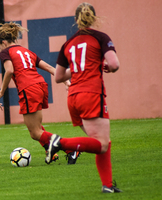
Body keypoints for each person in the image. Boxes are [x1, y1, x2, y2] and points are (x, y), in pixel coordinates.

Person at [45, 2, 122, 193]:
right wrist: (103, 67)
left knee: (101, 143)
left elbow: (59, 77)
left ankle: (108, 186)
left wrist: (79, 69)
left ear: (76, 20)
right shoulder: (100, 37)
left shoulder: (68, 43)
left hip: (73, 97)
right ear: (93, 18)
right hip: (91, 94)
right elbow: (114, 64)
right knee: (101, 144)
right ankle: (59, 143)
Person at [0, 22, 80, 164]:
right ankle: (51, 152)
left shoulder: (5, 52)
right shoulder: (26, 51)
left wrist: (1, 91)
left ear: (3, 42)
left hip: (28, 88)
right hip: (40, 85)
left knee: (34, 133)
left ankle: (71, 148)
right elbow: (47, 66)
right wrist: (65, 81)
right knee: (38, 128)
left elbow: (9, 71)